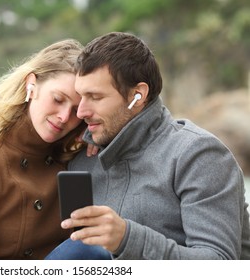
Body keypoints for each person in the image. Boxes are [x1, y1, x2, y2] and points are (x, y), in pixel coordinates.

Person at [46, 32, 250, 259]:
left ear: (138, 95)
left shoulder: (199, 156)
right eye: (81, 96)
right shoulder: (83, 159)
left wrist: (126, 239)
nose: (81, 111)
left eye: (95, 97)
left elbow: (220, 265)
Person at [0, 39, 88, 259]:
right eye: (58, 99)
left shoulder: (77, 160)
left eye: (77, 110)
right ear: (32, 84)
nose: (64, 116)